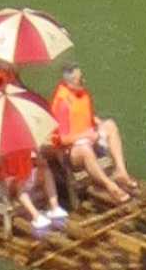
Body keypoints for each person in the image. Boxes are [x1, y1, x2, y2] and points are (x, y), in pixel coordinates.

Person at [49, 63, 124, 195]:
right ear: (70, 84)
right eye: (80, 79)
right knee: (86, 151)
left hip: (89, 137)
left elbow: (84, 114)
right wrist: (86, 135)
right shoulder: (63, 104)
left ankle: (121, 171)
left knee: (110, 125)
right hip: (72, 150)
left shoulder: (81, 94)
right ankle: (109, 184)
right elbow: (63, 139)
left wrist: (98, 123)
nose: (84, 81)